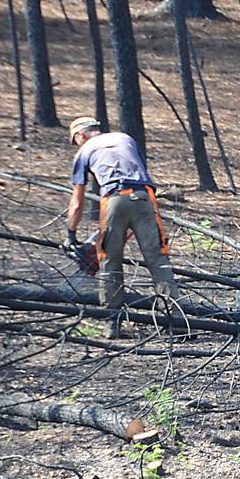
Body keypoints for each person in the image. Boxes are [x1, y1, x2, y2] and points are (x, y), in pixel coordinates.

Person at [64, 117, 180, 336]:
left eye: (76, 141)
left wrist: (71, 234)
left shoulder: (84, 152)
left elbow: (77, 203)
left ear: (81, 135)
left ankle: (112, 325)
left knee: (109, 261)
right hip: (145, 197)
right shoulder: (125, 139)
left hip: (113, 198)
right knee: (158, 259)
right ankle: (177, 323)